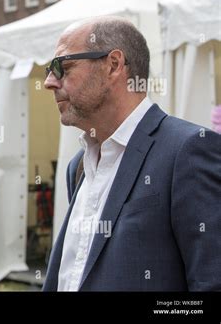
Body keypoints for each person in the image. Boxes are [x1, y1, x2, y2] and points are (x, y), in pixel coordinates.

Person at [42, 16, 221, 291]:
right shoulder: (78, 166)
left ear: (113, 65)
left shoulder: (187, 151)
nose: (50, 82)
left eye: (62, 66)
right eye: (48, 70)